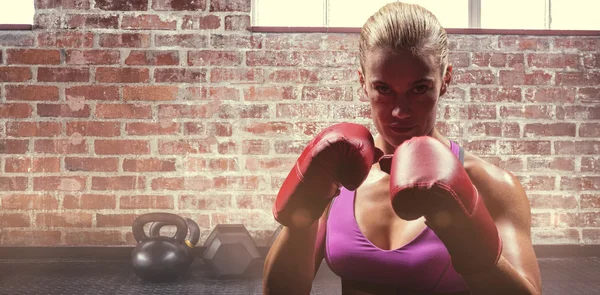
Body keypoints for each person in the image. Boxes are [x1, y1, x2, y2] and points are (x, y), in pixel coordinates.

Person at [262, 2, 542, 295]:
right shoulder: (338, 175)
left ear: (445, 80)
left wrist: (470, 242)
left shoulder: (493, 186)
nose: (399, 112)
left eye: (419, 89)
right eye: (383, 89)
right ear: (363, 83)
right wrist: (302, 212)